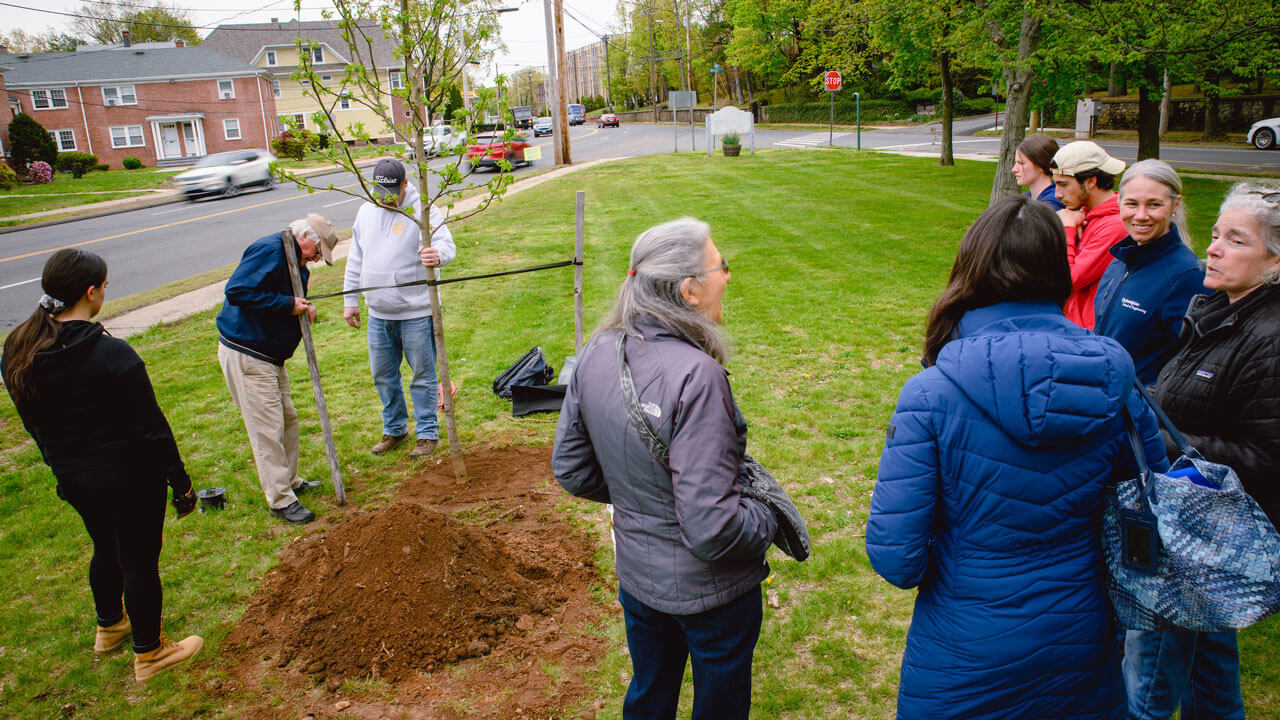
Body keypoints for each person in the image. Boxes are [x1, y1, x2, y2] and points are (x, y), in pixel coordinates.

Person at [866, 195, 1167, 720]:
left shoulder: (931, 392)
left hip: (967, 646)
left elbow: (897, 557)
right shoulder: (1116, 378)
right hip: (1082, 633)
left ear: (972, 268)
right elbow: (1153, 507)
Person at [552, 218, 777, 720]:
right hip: (714, 594)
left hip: (640, 580)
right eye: (721, 266)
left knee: (649, 694)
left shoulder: (595, 352)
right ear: (689, 290)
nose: (728, 275)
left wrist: (642, 501)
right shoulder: (698, 376)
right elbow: (712, 529)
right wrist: (766, 518)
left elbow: (571, 468)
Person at [1, 249, 203, 683]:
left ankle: (110, 627)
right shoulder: (113, 355)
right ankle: (150, 654)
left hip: (74, 478)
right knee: (138, 560)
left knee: (105, 546)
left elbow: (31, 423)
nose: (105, 293)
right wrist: (181, 483)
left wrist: (60, 463)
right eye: (105, 286)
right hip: (128, 480)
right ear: (90, 293)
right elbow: (152, 430)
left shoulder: (18, 347)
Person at [1125, 184, 1280, 720]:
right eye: (1215, 234)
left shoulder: (1270, 336)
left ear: (1275, 260)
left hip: (1205, 538)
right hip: (1191, 525)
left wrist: (1167, 443)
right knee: (1213, 678)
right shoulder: (1218, 310)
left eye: (1235, 241)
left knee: (1146, 681)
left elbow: (1268, 457)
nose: (1211, 248)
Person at [216, 213, 340, 524]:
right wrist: (287, 305)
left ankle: (291, 481)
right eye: (316, 251)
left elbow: (288, 296)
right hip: (248, 354)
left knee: (287, 420)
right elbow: (238, 291)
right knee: (267, 428)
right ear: (306, 238)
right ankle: (280, 499)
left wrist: (303, 307)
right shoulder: (270, 250)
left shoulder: (293, 257)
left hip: (270, 357)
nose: (314, 259)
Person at [343, 159, 456, 458]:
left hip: (415, 311)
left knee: (423, 374)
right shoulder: (366, 211)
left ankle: (427, 432)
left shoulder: (424, 211)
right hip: (378, 313)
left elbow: (446, 245)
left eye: (391, 191)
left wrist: (437, 255)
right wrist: (350, 300)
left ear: (405, 184)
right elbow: (356, 257)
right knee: (383, 375)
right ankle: (394, 429)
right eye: (380, 191)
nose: (386, 198)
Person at [1093, 160, 1206, 385]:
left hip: (1140, 411)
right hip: (1104, 401)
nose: (1141, 215)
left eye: (1154, 205)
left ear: (1175, 205)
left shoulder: (1187, 276)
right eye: (1132, 204)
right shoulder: (1120, 261)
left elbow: (1193, 364)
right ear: (1119, 202)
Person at [1051, 140, 1130, 329]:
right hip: (1070, 325)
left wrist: (1066, 231)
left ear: (1091, 181)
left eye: (1063, 185)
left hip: (1088, 334)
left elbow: (1067, 282)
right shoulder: (1084, 215)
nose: (1057, 194)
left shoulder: (1114, 226)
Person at [1012, 134, 1065, 210]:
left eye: (1021, 163)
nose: (1014, 169)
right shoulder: (1026, 199)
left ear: (1041, 165)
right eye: (1016, 163)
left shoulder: (1050, 207)